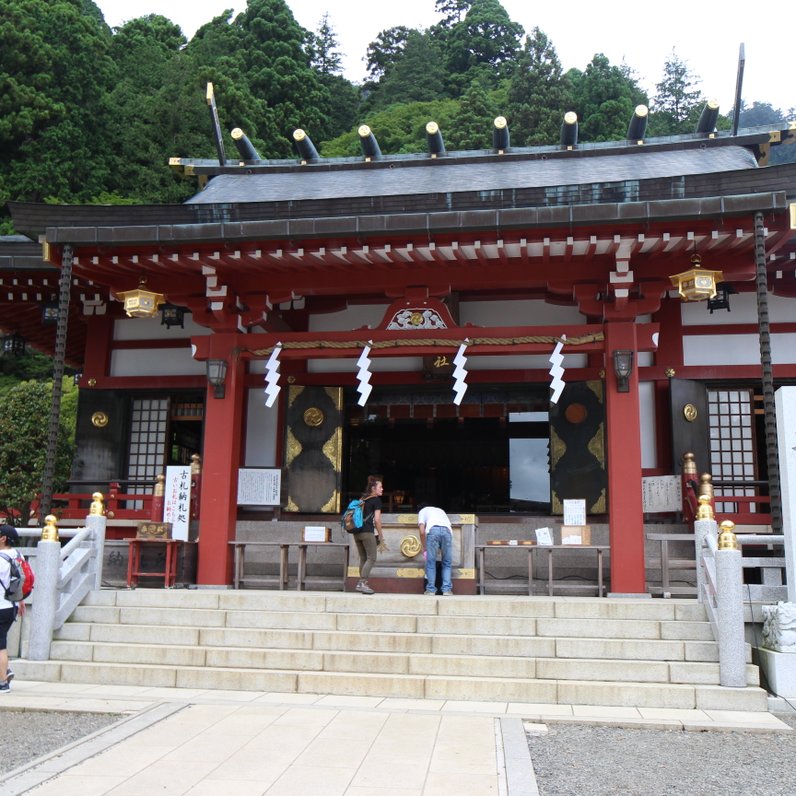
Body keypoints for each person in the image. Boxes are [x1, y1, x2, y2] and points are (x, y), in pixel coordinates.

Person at [352, 475, 386, 594]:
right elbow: (377, 520)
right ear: (373, 488)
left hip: (356, 533)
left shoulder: (362, 499)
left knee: (363, 558)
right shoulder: (376, 500)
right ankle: (362, 582)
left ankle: (361, 583)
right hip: (367, 532)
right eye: (380, 487)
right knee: (372, 558)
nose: (382, 489)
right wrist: (381, 536)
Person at [0, 525, 21, 693]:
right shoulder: (18, 556)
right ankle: (5, 671)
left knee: (1, 646)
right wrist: (20, 601)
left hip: (0, 605)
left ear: (3, 538)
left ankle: (3, 682)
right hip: (12, 606)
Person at [418, 505, 454, 596]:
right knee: (446, 562)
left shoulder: (422, 511)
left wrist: (424, 546)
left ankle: (430, 590)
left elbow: (422, 531)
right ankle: (446, 590)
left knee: (431, 562)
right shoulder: (441, 510)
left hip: (433, 530)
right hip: (447, 532)